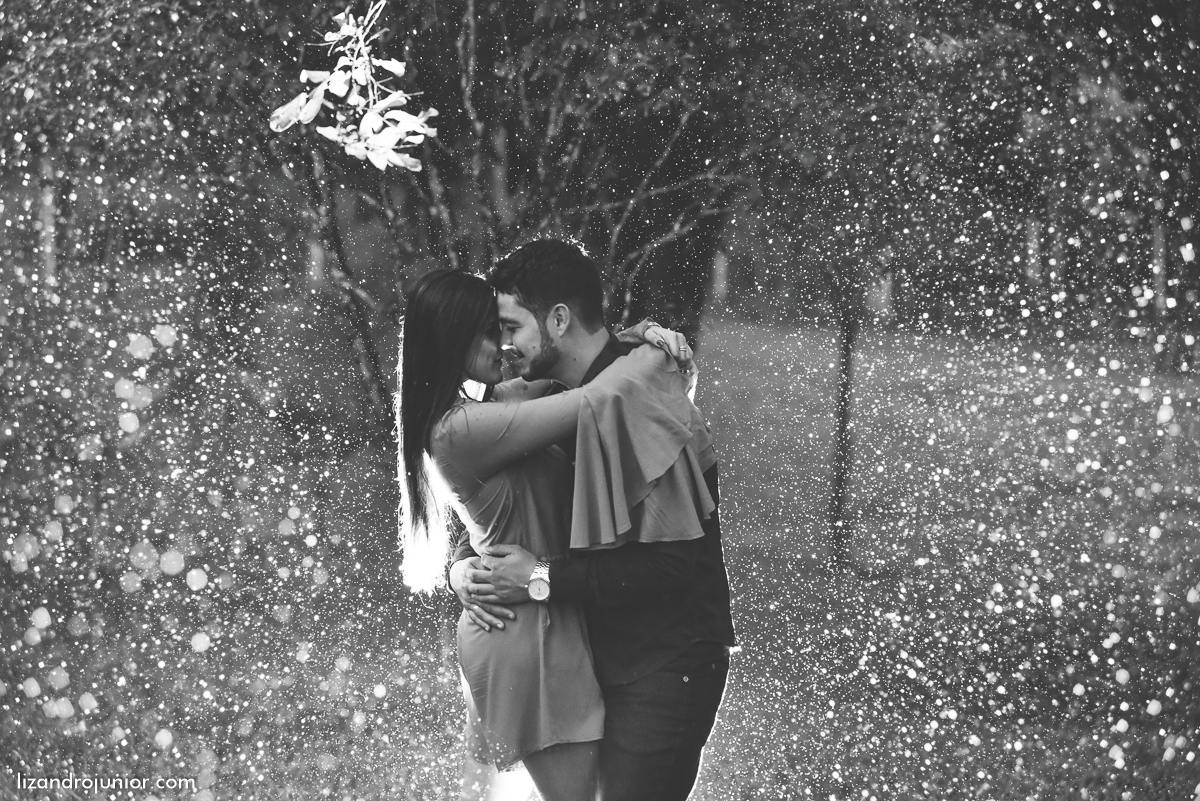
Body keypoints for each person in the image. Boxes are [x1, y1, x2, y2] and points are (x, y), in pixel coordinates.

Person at [450, 239, 736, 801]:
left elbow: (674, 563)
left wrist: (541, 579)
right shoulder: (561, 396)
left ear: (557, 320)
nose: (504, 346)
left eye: (511, 328)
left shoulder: (636, 395)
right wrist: (463, 569)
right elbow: (507, 503)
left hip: (664, 663)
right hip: (592, 655)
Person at [396, 267, 695, 801]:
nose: (502, 343)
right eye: (491, 331)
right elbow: (589, 402)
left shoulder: (491, 406)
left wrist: (637, 336)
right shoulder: (459, 429)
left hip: (542, 616)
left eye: (504, 328)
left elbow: (575, 379)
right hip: (521, 632)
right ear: (453, 337)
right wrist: (655, 351)